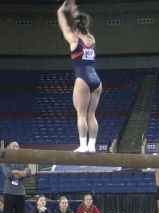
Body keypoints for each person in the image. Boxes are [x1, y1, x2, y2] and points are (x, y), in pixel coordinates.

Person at [57, 0, 102, 153]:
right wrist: (74, 11)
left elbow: (64, 28)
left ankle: (83, 146)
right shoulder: (91, 39)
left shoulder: (74, 40)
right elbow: (81, 22)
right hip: (96, 81)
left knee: (81, 114)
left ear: (75, 29)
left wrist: (61, 12)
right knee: (91, 114)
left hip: (82, 79)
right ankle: (92, 146)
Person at [2, 141, 31, 213]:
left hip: (21, 192)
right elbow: (8, 174)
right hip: (9, 192)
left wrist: (15, 171)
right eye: (14, 146)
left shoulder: (23, 159)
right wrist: (22, 173)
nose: (16, 148)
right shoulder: (5, 159)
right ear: (9, 148)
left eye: (17, 146)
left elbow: (28, 173)